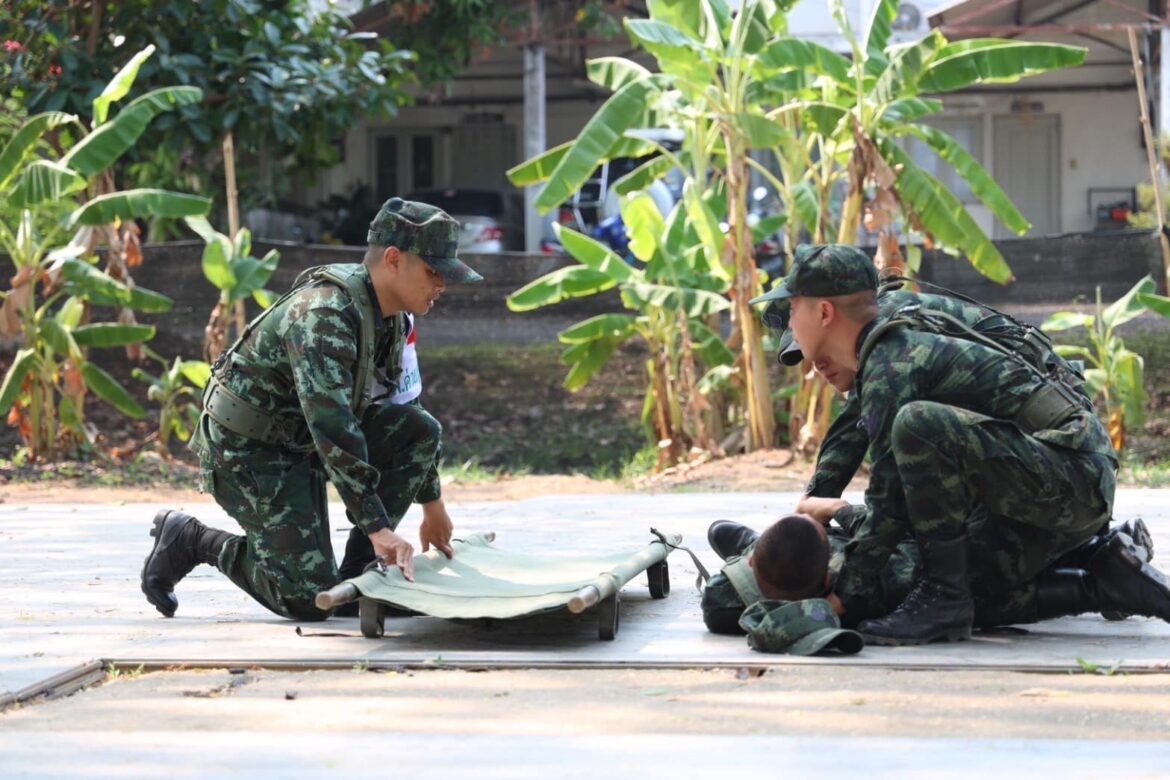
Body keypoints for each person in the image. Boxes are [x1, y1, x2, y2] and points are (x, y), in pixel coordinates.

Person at [738, 244, 1167, 645]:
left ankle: (945, 599)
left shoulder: (892, 361)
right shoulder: (883, 341)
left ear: (825, 312)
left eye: (793, 310)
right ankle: (1102, 570)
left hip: (1069, 482)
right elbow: (857, 425)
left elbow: (888, 505)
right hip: (1062, 477)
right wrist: (815, 505)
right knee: (961, 573)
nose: (789, 325)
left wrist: (842, 601)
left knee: (918, 429)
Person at [140, 198, 482, 621]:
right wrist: (379, 528)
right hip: (250, 449)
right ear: (394, 260)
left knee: (417, 428)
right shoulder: (325, 316)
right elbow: (334, 428)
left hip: (303, 441)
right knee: (308, 598)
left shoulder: (391, 316)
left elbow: (402, 407)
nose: (442, 285)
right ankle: (190, 539)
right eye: (434, 272)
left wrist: (433, 505)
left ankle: (361, 575)